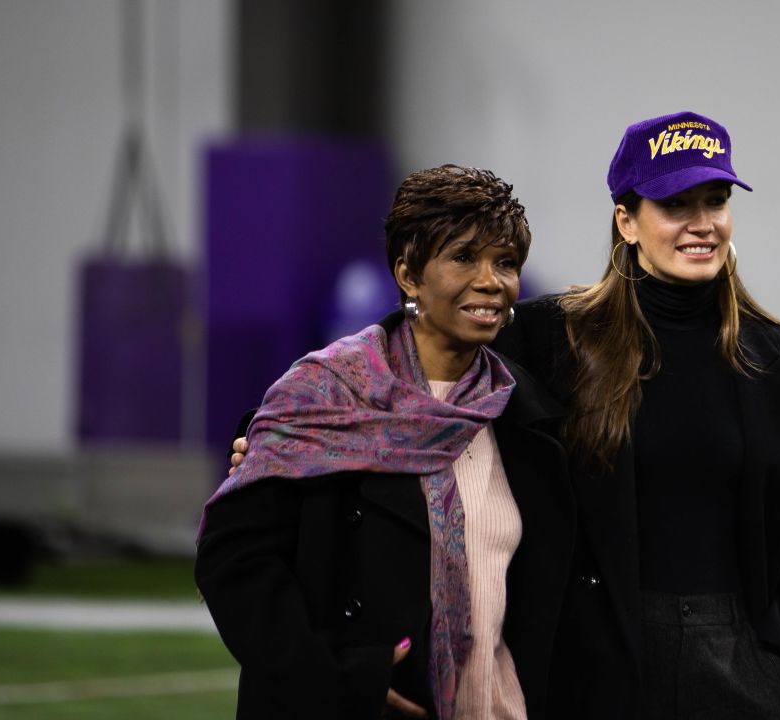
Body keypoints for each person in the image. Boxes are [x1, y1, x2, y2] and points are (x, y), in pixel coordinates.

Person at [230, 112, 780, 720]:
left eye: (716, 200)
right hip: (595, 669)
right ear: (626, 221)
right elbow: (403, 373)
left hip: (741, 674)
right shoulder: (552, 339)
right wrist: (268, 438)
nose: (701, 223)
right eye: (676, 204)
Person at [196, 165, 575, 720]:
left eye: (506, 263)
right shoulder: (324, 396)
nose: (491, 280)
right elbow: (235, 564)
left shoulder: (522, 411)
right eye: (464, 257)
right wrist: (336, 682)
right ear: (409, 273)